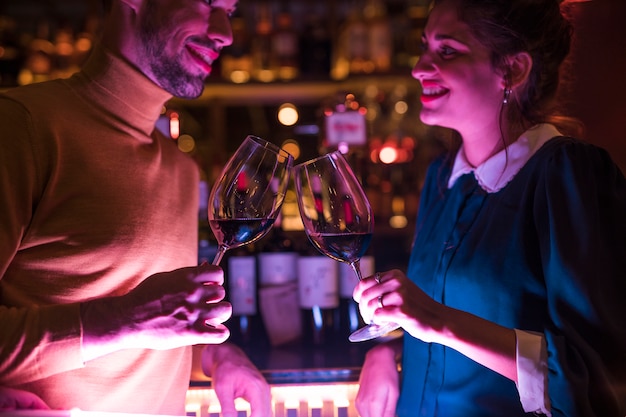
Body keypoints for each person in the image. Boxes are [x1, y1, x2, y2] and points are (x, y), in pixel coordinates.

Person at [352, 0, 626, 416]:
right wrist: (386, 349)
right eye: (425, 46)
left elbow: (596, 376)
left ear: (513, 70)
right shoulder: (441, 177)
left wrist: (438, 320)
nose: (419, 67)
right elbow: (431, 314)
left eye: (446, 51)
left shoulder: (567, 174)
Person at [0, 0, 271, 415]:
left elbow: (147, 339)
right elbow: (135, 322)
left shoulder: (182, 171)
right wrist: (127, 318)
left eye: (230, 12)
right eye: (207, 3)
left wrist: (213, 357)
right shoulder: (20, 127)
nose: (225, 32)